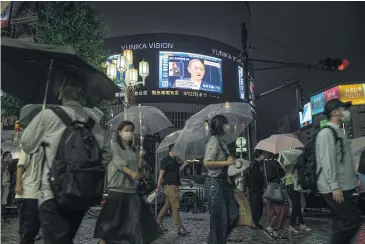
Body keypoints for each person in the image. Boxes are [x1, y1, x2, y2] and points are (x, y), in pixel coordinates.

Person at [20, 69, 112, 244]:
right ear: (81, 91)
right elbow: (107, 154)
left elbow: (27, 144)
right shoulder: (92, 122)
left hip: (52, 194)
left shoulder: (48, 115)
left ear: (59, 89)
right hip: (81, 196)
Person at [94, 121, 161, 244]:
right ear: (119, 132)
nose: (129, 133)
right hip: (117, 190)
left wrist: (141, 157)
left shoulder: (134, 149)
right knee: (111, 227)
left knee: (138, 225)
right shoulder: (113, 147)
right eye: (126, 130)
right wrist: (131, 172)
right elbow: (118, 162)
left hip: (132, 191)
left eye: (131, 130)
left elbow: (139, 167)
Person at [316, 99, 360, 244]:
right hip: (334, 187)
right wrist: (334, 185)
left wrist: (355, 179)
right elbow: (327, 160)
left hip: (344, 185)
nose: (346, 112)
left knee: (340, 222)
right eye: (343, 109)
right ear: (335, 112)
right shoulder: (326, 134)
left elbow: (345, 160)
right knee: (352, 222)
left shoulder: (339, 131)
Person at [204, 115, 239, 244]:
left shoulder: (222, 141)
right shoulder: (213, 141)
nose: (227, 126)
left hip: (223, 184)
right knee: (220, 220)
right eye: (225, 123)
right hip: (214, 184)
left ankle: (215, 239)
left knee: (233, 215)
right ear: (219, 125)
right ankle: (216, 239)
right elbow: (207, 163)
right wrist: (226, 162)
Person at [156, 144, 190, 235]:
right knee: (176, 207)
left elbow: (176, 171)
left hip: (173, 186)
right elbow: (161, 175)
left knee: (167, 206)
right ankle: (179, 228)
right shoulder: (165, 160)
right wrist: (158, 187)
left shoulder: (174, 159)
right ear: (172, 150)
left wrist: (184, 164)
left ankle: (158, 222)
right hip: (170, 186)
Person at [15, 149, 43, 244]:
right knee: (27, 233)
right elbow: (21, 165)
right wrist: (18, 184)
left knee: (33, 232)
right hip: (28, 193)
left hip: (41, 195)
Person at [263, 152, 287, 240]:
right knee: (282, 210)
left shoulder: (263, 164)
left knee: (271, 212)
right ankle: (271, 228)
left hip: (267, 189)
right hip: (276, 189)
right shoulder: (275, 163)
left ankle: (275, 233)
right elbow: (282, 174)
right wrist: (282, 168)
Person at [284, 163, 311, 234]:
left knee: (297, 205)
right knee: (296, 206)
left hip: (288, 184)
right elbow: (295, 176)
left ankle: (302, 224)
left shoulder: (287, 162)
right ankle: (291, 226)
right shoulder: (294, 162)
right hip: (293, 184)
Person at [247, 150, 264, 229]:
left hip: (254, 189)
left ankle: (255, 222)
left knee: (256, 206)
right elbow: (256, 178)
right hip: (256, 189)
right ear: (260, 155)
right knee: (256, 207)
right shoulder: (255, 165)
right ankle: (254, 223)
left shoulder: (255, 164)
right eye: (263, 154)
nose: (263, 157)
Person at [1, 151, 12, 223]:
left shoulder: (7, 164)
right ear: (5, 156)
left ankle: (2, 216)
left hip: (5, 186)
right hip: (2, 186)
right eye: (9, 156)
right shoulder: (2, 165)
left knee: (3, 201)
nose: (10, 157)